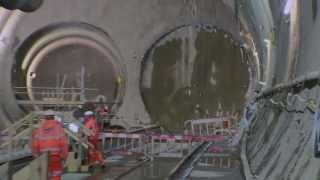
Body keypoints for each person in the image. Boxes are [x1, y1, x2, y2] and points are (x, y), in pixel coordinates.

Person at [32, 110, 68, 180]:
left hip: (43, 157)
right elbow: (64, 144)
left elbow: (35, 145)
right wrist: (64, 157)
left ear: (44, 118)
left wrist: (36, 157)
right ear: (54, 117)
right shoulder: (59, 128)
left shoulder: (39, 130)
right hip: (56, 157)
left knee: (45, 175)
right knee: (56, 175)